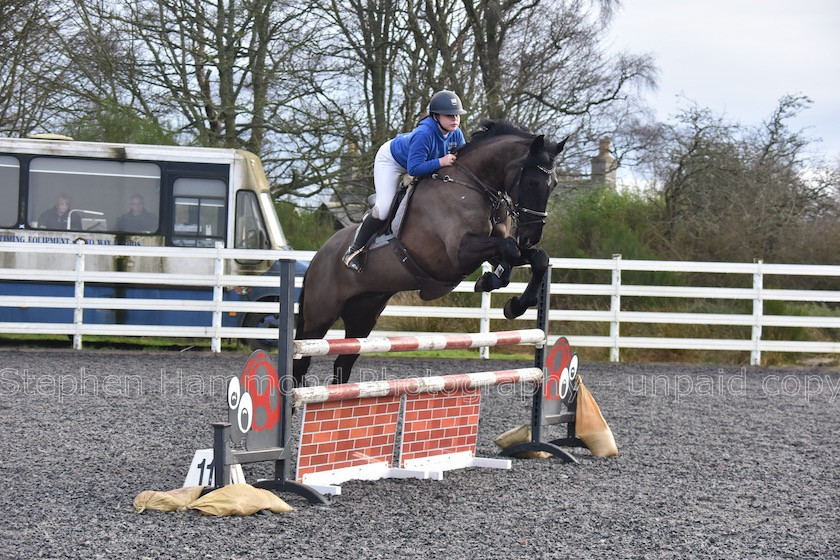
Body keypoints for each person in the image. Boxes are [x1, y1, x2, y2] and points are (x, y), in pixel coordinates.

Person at [342, 90, 468, 272]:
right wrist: (441, 161)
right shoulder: (425, 133)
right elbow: (414, 169)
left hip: (418, 161)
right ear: (436, 116)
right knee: (384, 208)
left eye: (457, 115)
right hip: (392, 161)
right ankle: (353, 251)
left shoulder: (456, 133)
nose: (455, 119)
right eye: (449, 115)